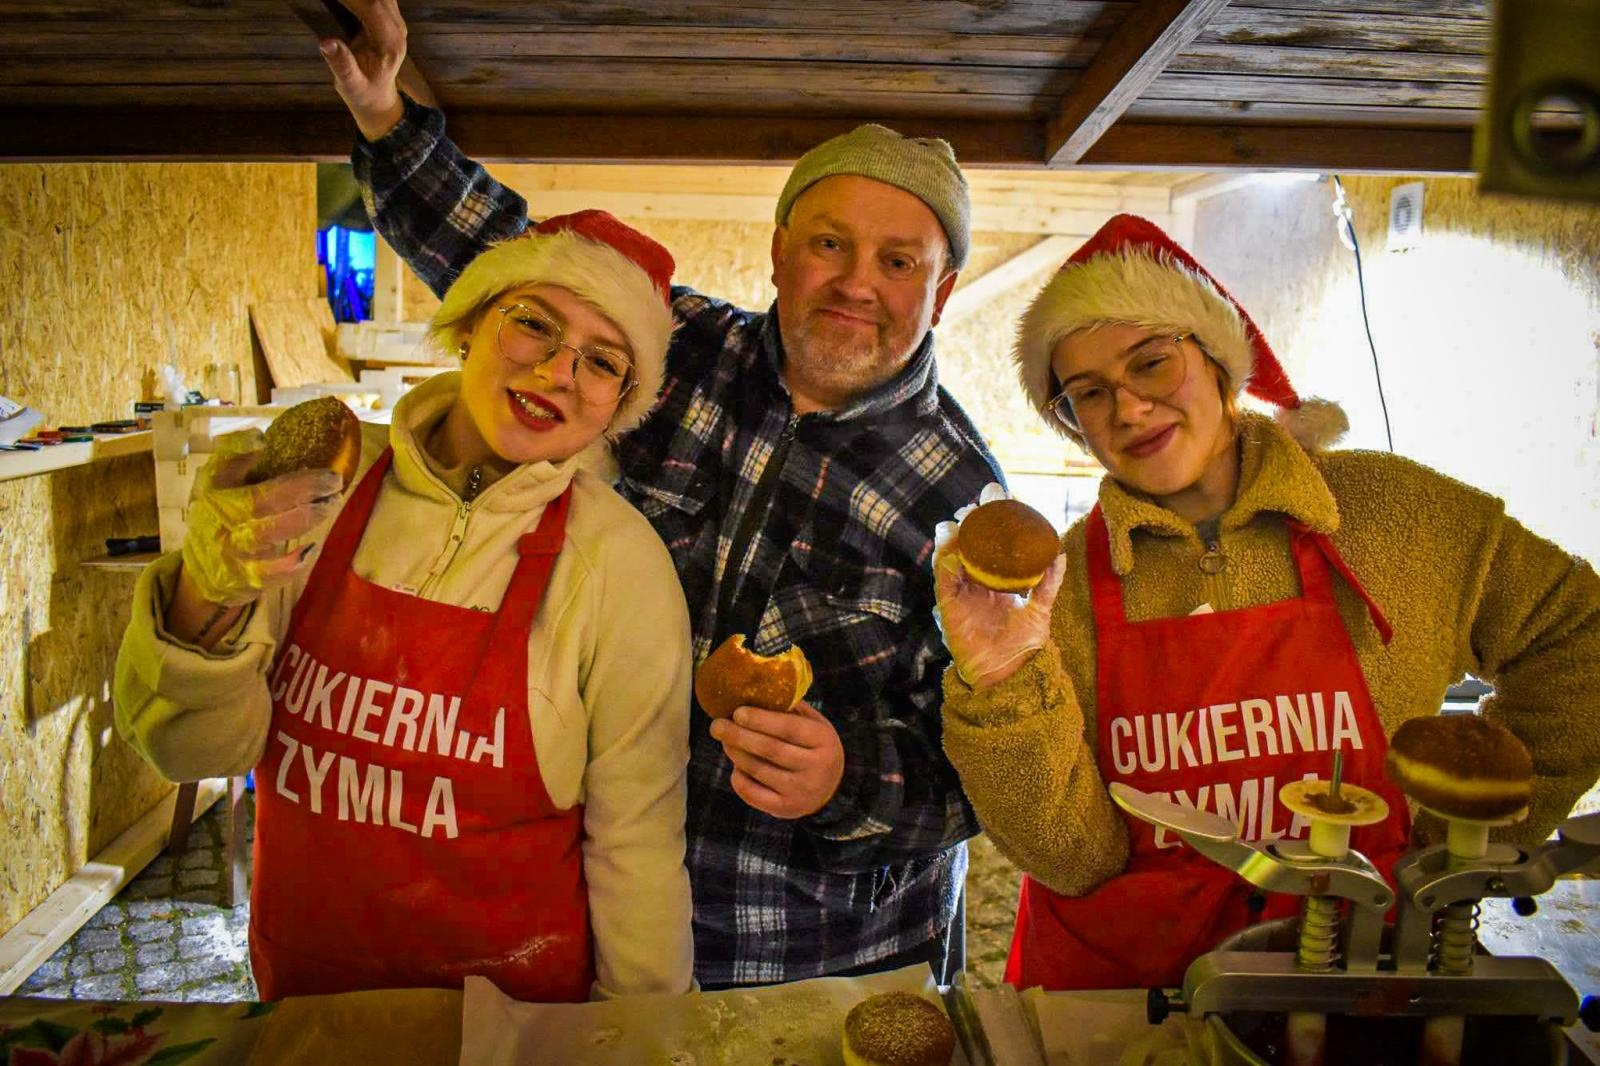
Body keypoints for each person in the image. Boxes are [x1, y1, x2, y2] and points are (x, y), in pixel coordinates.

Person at [312, 0, 1002, 987]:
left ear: (941, 292)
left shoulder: (967, 502)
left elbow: (985, 772)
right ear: (778, 251)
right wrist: (386, 116)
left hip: (819, 960)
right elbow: (515, 264)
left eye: (899, 263)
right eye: (828, 244)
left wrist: (847, 779)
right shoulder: (674, 350)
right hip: (598, 910)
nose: (857, 282)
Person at [934, 214, 1600, 992]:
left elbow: (1580, 635)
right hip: (1132, 1004)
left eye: (1152, 363)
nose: (1129, 409)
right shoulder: (1064, 587)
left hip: (1365, 974)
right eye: (1089, 393)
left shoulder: (1398, 516)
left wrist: (1469, 837)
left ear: (1218, 361)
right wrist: (1001, 679)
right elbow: (1074, 861)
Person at [115, 210, 696, 1001]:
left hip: (518, 1028)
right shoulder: (317, 494)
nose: (559, 372)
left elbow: (638, 847)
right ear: (471, 324)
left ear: (619, 404)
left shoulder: (622, 568)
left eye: (602, 362)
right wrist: (206, 594)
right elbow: (187, 755)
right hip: (309, 1005)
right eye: (534, 323)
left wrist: (637, 1040)